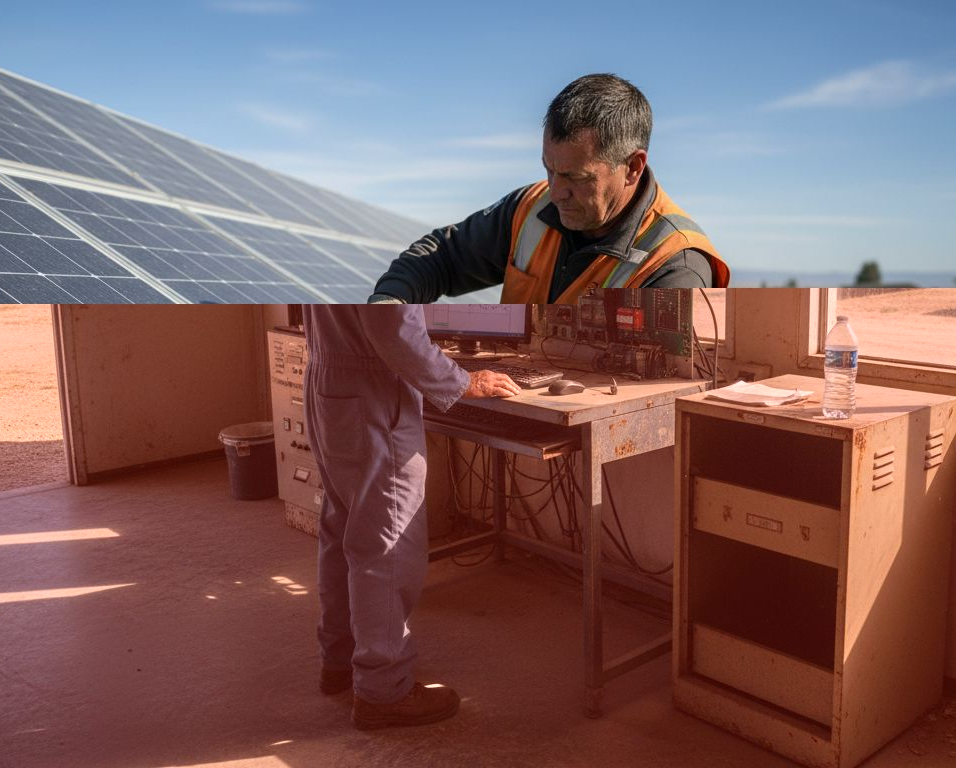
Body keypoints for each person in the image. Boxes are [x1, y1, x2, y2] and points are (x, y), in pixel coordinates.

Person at [302, 304, 519, 730]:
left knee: (344, 527)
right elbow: (394, 330)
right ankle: (382, 690)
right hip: (374, 390)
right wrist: (463, 380)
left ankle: (341, 661)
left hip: (331, 379)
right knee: (387, 548)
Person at [370, 73, 729, 304]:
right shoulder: (530, 207)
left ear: (632, 167)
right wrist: (389, 303)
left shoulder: (676, 265)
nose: (556, 192)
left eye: (576, 177)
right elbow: (441, 258)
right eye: (549, 169)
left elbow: (657, 391)